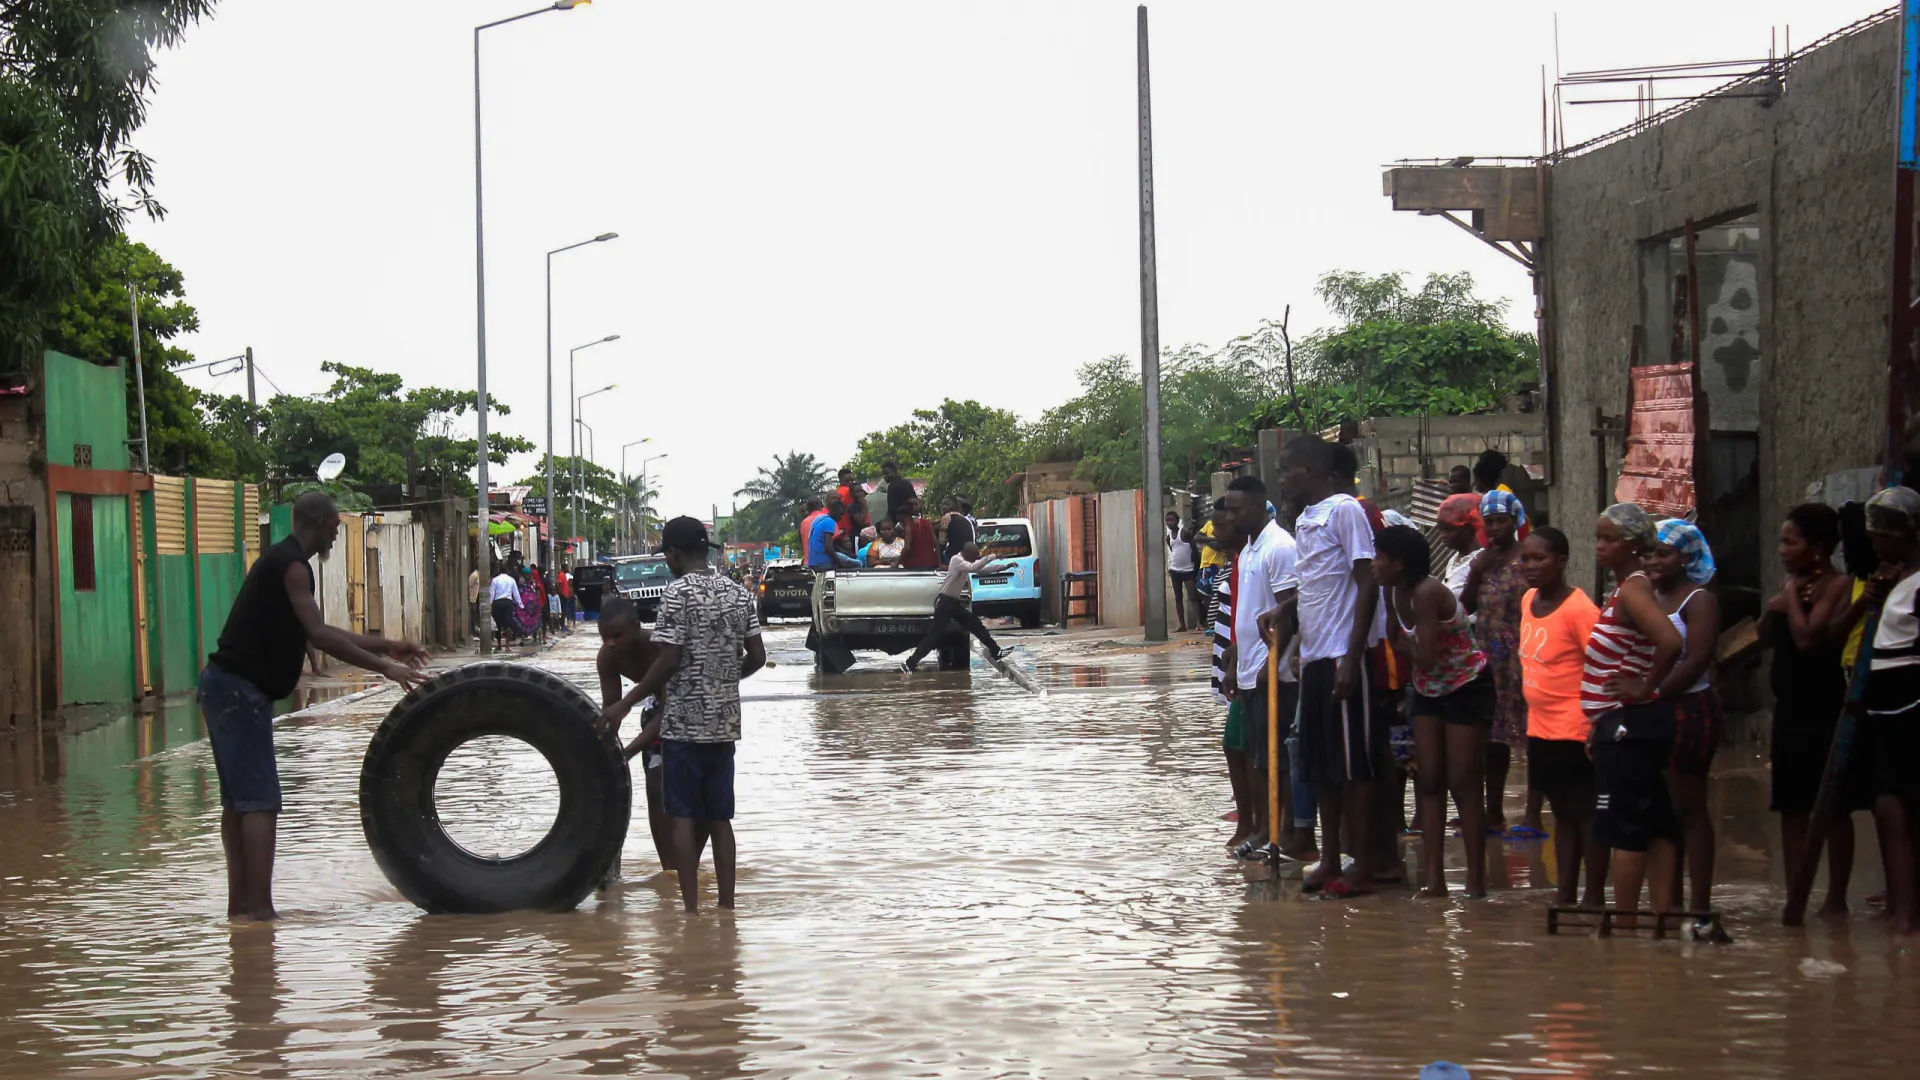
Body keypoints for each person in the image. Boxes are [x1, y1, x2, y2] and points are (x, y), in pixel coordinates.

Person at [198, 492, 428, 920]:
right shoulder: (292, 567)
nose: (338, 532)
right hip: (237, 692)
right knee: (260, 803)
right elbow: (320, 635)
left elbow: (323, 630)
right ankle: (262, 913)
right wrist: (385, 668)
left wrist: (390, 647)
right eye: (335, 525)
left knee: (240, 803)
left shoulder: (284, 563)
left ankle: (242, 913)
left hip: (224, 687)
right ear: (318, 521)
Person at [599, 517, 764, 912]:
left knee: (685, 819)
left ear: (673, 555)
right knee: (721, 820)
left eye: (666, 555)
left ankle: (690, 913)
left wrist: (627, 701)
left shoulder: (675, 595)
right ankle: (727, 909)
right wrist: (722, 679)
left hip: (683, 726)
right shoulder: (739, 593)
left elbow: (669, 659)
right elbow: (757, 657)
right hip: (725, 724)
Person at [1280, 434, 1384, 898]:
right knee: (1321, 765)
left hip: (1344, 654)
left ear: (1312, 469)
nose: (1282, 478)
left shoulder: (1345, 510)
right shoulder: (1304, 520)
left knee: (1352, 766)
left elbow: (1366, 583)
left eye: (1288, 470)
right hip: (1318, 655)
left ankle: (1361, 866)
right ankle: (1330, 858)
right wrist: (1286, 619)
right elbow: (1317, 583)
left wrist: (1353, 655)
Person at [1581, 503, 1685, 923]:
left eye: (1609, 539)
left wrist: (1644, 687)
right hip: (1627, 724)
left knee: (1625, 828)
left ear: (1632, 545)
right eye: (1599, 538)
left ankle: (1625, 928)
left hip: (1630, 725)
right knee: (1658, 823)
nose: (1600, 546)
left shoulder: (1632, 590)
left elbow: (1670, 642)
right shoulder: (1625, 589)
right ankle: (1659, 921)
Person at [1376, 523, 1493, 896]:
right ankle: (1434, 881)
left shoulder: (1426, 592)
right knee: (1428, 780)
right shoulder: (1396, 592)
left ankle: (1475, 882)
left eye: (1379, 557)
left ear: (1398, 563)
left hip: (1466, 686)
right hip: (1429, 690)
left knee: (1463, 782)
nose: (1373, 563)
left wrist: (1407, 649)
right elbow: (1407, 648)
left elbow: (1420, 655)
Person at [1763, 502, 1860, 918]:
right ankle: (1796, 894)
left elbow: (1808, 638)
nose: (1783, 550)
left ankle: (1835, 898)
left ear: (1817, 547)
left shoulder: (1840, 584)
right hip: (1789, 712)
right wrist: (1774, 608)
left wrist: (1789, 600)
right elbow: (1765, 635)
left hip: (1825, 709)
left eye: (1791, 541)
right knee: (1791, 805)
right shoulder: (1794, 586)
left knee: (1833, 807)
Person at [1517, 527, 1606, 907]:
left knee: (1587, 813)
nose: (1531, 566)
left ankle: (1595, 896)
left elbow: (1604, 664)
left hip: (1576, 727)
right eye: (1526, 558)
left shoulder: (1580, 610)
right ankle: (1566, 891)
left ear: (1563, 562)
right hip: (1540, 728)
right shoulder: (1528, 601)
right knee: (1561, 812)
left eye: (1540, 559)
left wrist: (1598, 724)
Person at [596, 594, 709, 880]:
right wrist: (604, 751)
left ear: (636, 628)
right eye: (604, 637)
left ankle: (690, 862)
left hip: (691, 707)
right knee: (656, 785)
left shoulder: (659, 649)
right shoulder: (608, 657)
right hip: (656, 708)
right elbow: (612, 709)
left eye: (617, 636)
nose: (610, 643)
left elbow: (670, 714)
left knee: (698, 793)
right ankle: (669, 870)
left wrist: (629, 751)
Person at [1647, 518, 1724, 916]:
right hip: (1652, 711)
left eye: (1664, 553)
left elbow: (1697, 660)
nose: (1654, 561)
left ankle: (1700, 906)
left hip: (1690, 712)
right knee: (1661, 812)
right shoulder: (1646, 597)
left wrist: (1653, 692)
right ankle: (1669, 902)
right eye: (1650, 553)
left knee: (1689, 810)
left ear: (1686, 557)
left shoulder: (1698, 600)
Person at [1222, 476, 1298, 860]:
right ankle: (1265, 831)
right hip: (1250, 669)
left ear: (1257, 506)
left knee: (1278, 757)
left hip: (1275, 673)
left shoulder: (1279, 547)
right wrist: (1235, 661)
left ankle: (1282, 833)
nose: (1231, 517)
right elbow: (1247, 612)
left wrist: (1274, 661)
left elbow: (1291, 611)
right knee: (1259, 755)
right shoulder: (1248, 550)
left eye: (1237, 509)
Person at [1855, 487, 1920, 934]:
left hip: (1908, 704)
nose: (1877, 544)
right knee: (1886, 807)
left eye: (1884, 536)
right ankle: (1899, 907)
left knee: (1897, 807)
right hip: (1883, 705)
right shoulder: (1893, 582)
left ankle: (1906, 916)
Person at [1464, 489, 1539, 838]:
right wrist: (1478, 571)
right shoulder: (1481, 561)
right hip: (1489, 660)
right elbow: (1464, 607)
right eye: (1489, 522)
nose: (1494, 529)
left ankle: (1533, 814)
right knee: (1492, 740)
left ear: (1515, 521)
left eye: (1501, 521)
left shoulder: (1530, 558)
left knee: (1534, 735)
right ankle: (1492, 813)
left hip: (1526, 657)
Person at [1209, 504, 1255, 850]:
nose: (1215, 537)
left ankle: (1261, 824)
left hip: (1261, 668)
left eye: (1222, 528)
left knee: (1250, 747)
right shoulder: (1241, 560)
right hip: (1238, 660)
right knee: (1235, 744)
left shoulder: (1269, 552)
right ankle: (1251, 821)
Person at [901, 541, 1008, 670]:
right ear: (967, 552)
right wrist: (992, 556)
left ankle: (995, 651)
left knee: (975, 624)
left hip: (953, 603)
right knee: (934, 636)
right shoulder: (956, 560)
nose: (976, 558)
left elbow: (981, 571)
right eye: (975, 555)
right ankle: (910, 663)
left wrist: (1004, 567)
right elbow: (973, 568)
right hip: (945, 603)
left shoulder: (966, 563)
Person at [1434, 494, 1485, 600]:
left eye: (1448, 530)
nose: (1442, 535)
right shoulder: (1453, 561)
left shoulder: (1481, 561)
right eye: (1441, 530)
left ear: (1468, 527)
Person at [807, 497, 861, 571]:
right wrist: (841, 564)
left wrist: (848, 553)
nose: (841, 518)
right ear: (835, 511)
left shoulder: (818, 519)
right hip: (823, 563)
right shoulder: (830, 522)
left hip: (813, 563)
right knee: (858, 565)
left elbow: (833, 546)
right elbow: (828, 548)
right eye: (841, 514)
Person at [1167, 510, 1199, 633]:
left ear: (1177, 520)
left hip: (1188, 570)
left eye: (1172, 520)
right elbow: (1172, 550)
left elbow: (1194, 550)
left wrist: (1193, 565)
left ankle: (1199, 623)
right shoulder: (1168, 537)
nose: (1170, 522)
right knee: (1178, 597)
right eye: (1167, 520)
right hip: (1175, 570)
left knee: (1193, 596)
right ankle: (1182, 624)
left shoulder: (1185, 533)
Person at [897, 497, 939, 570]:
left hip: (914, 564)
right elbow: (936, 543)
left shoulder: (908, 526)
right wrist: (940, 563)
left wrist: (897, 563)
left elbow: (907, 547)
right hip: (931, 563)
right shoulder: (927, 523)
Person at [490, 564, 521, 647]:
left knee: (498, 625)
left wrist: (490, 603)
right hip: (508, 602)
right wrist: (520, 604)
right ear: (507, 571)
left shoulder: (495, 580)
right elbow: (516, 593)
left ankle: (499, 644)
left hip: (497, 602)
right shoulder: (511, 580)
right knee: (508, 624)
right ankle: (507, 645)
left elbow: (492, 593)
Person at [558, 564, 575, 630]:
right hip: (563, 596)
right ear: (564, 568)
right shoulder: (561, 575)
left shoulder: (564, 575)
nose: (568, 568)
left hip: (565, 596)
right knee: (563, 611)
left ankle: (563, 626)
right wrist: (562, 594)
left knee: (564, 611)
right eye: (567, 567)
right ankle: (562, 626)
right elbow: (558, 584)